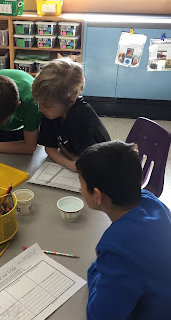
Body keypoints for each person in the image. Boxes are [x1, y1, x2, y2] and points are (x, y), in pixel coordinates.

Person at [76, 140, 171, 320]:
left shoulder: (118, 251)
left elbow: (99, 315)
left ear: (97, 195)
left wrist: (97, 267)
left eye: (80, 182)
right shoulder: (150, 200)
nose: (79, 187)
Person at [32, 58, 110, 172]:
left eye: (46, 106)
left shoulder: (82, 118)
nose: (40, 109)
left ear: (70, 102)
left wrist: (68, 156)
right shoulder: (50, 111)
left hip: (102, 167)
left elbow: (89, 165)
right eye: (40, 103)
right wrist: (70, 164)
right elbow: (49, 149)